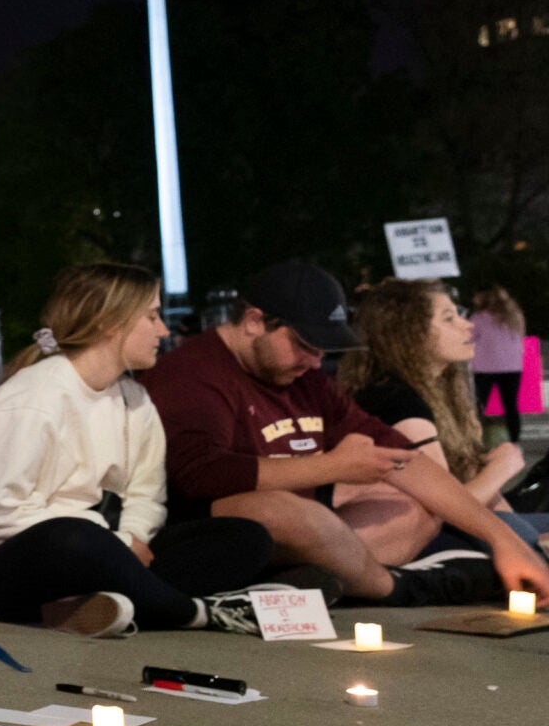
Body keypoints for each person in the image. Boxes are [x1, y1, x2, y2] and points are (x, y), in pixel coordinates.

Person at [141, 259, 549, 607]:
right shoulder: (194, 373)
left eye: (325, 350)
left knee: (418, 502)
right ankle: (391, 588)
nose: (316, 362)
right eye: (305, 344)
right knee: (287, 513)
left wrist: (502, 541)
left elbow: (405, 460)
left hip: (318, 533)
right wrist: (331, 466)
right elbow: (200, 474)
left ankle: (315, 579)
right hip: (216, 533)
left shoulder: (306, 378)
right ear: (254, 322)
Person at [0, 263, 276, 635]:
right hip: (3, 568)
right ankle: (194, 612)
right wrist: (117, 544)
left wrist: (132, 538)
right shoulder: (33, 398)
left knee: (248, 538)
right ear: (109, 322)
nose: (163, 330)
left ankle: (106, 604)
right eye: (151, 316)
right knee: (73, 537)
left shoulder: (134, 399)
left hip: (105, 551)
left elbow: (146, 494)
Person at [339, 279, 534, 537]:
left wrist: (530, 541)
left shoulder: (439, 392)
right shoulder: (398, 402)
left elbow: (473, 485)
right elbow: (446, 512)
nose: (468, 325)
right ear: (410, 332)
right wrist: (502, 469)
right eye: (448, 318)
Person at [470, 286, 527, 447]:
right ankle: (514, 441)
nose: (474, 299)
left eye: (477, 296)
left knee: (482, 405)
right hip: (512, 367)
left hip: (485, 368)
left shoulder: (479, 318)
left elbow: (468, 338)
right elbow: (521, 335)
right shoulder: (515, 316)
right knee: (510, 405)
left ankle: (481, 441)